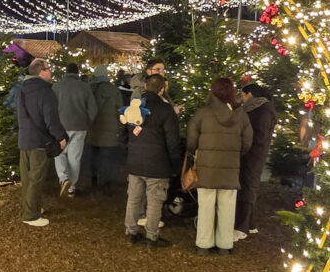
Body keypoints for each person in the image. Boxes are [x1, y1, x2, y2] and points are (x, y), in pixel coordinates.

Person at [187, 78, 252, 255]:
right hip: (230, 168)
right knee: (227, 206)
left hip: (206, 167)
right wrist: (235, 153)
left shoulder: (202, 113)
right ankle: (224, 245)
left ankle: (203, 244)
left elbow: (191, 139)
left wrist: (194, 151)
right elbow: (247, 142)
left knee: (206, 205)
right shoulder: (241, 115)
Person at [124, 74, 182, 248]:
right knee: (154, 201)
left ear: (145, 86)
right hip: (158, 163)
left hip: (135, 161)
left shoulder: (134, 107)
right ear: (162, 89)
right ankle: (152, 236)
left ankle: (131, 231)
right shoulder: (166, 110)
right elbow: (173, 141)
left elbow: (125, 133)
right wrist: (176, 164)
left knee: (133, 199)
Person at [17, 59, 67, 226]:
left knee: (27, 177)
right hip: (40, 140)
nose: (50, 72)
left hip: (24, 139)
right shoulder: (46, 92)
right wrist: (60, 137)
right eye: (49, 69)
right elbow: (51, 119)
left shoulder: (22, 90)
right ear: (41, 71)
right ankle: (30, 215)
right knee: (36, 178)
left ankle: (31, 207)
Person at [234, 82, 278, 240]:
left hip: (254, 154)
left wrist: (245, 143)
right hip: (250, 153)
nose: (241, 99)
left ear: (249, 94)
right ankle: (249, 224)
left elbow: (260, 136)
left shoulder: (262, 110)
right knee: (246, 186)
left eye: (243, 95)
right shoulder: (256, 108)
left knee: (248, 187)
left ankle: (242, 227)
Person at [52, 62, 97, 197]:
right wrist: (88, 121)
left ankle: (63, 178)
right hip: (80, 126)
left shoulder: (56, 86)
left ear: (66, 72)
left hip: (60, 126)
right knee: (75, 157)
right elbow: (93, 108)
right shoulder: (85, 87)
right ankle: (71, 187)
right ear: (77, 73)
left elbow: (50, 107)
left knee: (59, 153)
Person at [88, 64, 122, 194]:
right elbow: (120, 108)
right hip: (110, 128)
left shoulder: (91, 89)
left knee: (94, 155)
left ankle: (94, 178)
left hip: (94, 127)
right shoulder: (114, 90)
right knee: (107, 156)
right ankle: (107, 181)